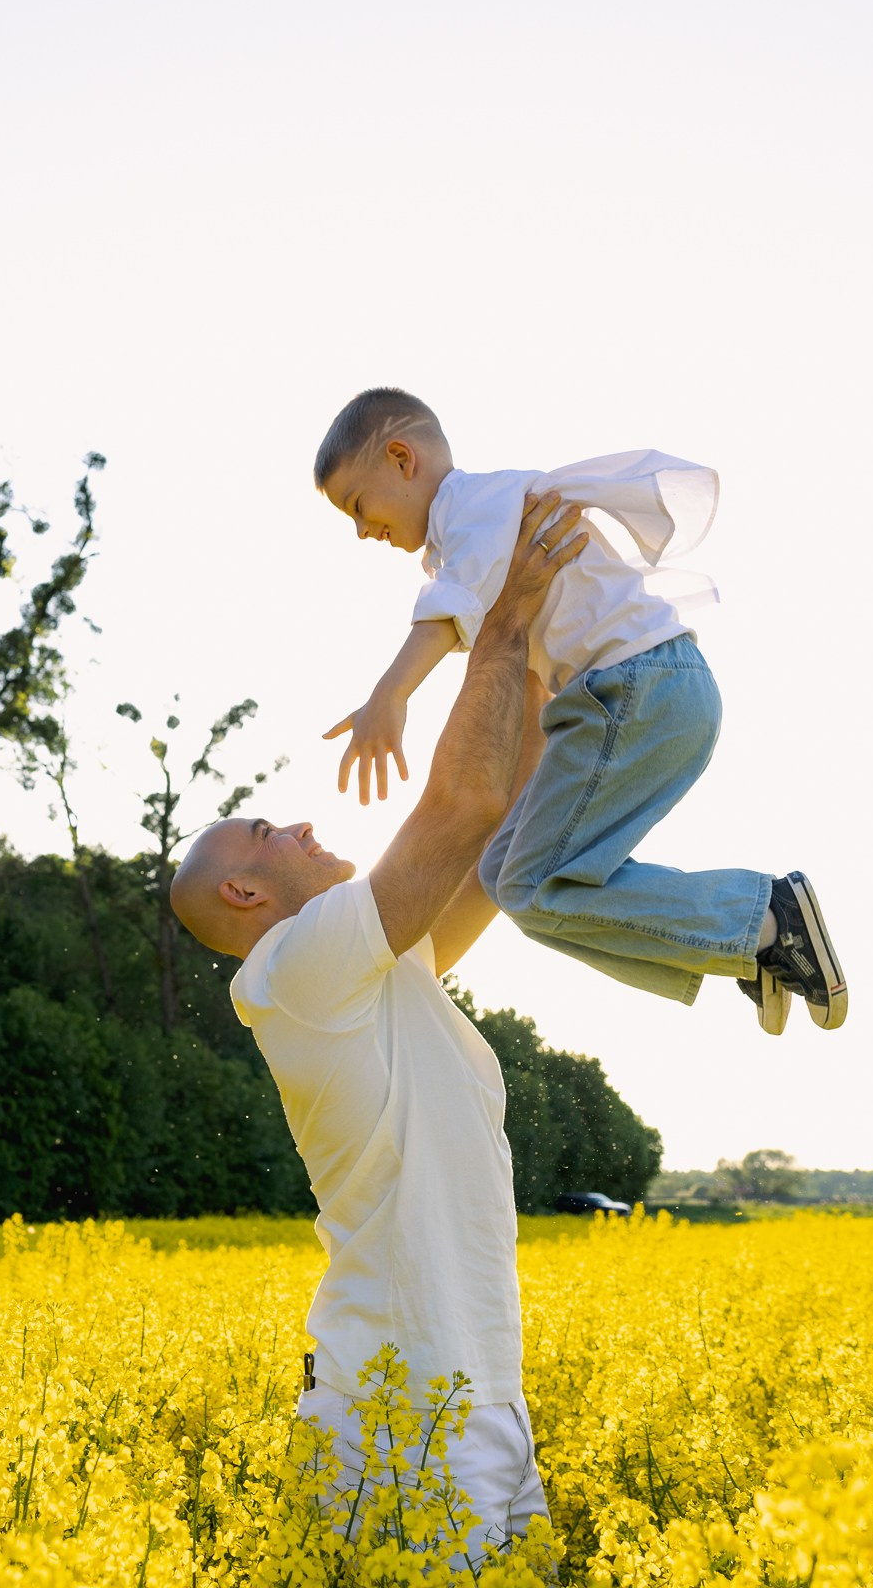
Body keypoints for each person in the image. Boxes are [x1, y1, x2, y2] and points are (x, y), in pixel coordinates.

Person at [171, 490, 586, 1549]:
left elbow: (495, 849)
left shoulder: (381, 967)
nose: (303, 821)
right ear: (247, 899)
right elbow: (457, 809)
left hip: (477, 1385)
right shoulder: (295, 970)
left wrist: (535, 658)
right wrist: (496, 625)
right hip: (400, 1402)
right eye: (267, 829)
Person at [314, 386, 845, 1033]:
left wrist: (388, 694)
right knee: (511, 878)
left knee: (535, 887)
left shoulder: (478, 506)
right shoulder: (475, 532)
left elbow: (448, 613)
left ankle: (764, 918)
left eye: (357, 505)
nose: (363, 530)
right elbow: (510, 670)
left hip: (636, 688)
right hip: (639, 694)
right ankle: (747, 947)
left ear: (402, 459)